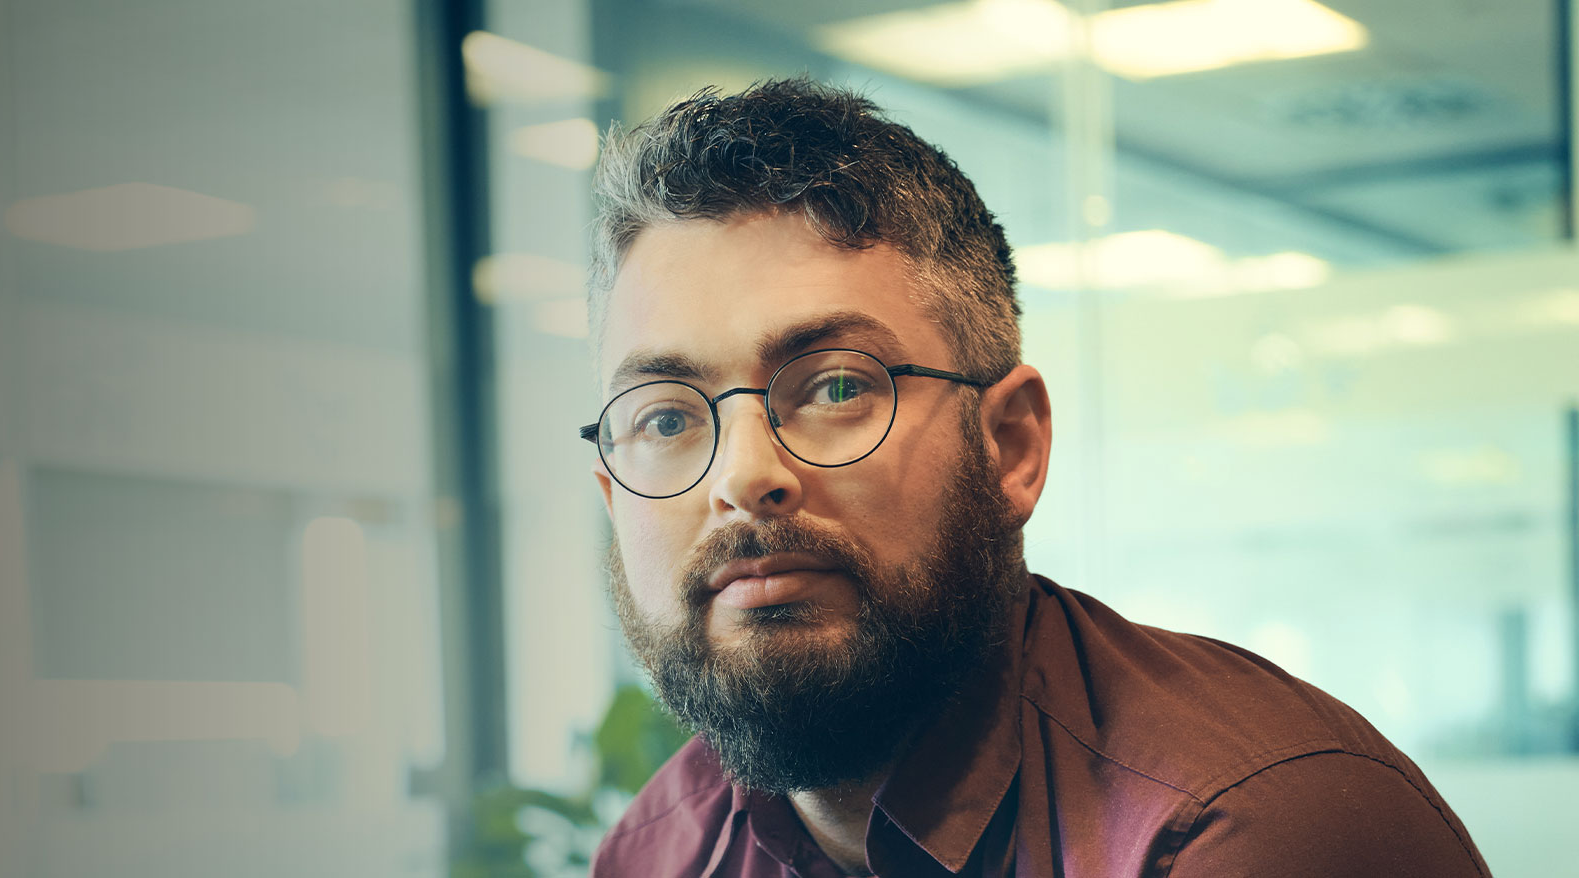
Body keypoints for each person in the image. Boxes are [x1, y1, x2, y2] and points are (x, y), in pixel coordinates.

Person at [581, 78, 1488, 877]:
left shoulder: (1248, 831)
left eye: (838, 386)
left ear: (1011, 447)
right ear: (612, 495)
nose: (742, 475)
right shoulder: (658, 850)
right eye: (665, 417)